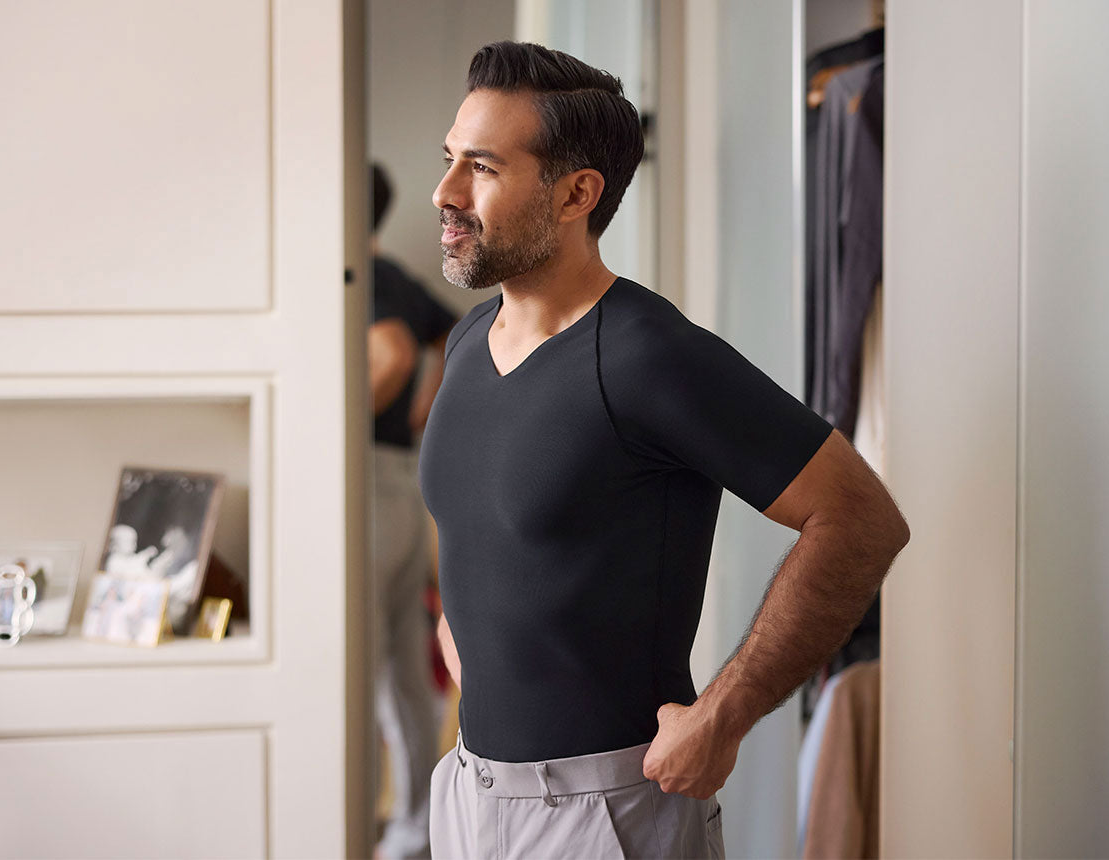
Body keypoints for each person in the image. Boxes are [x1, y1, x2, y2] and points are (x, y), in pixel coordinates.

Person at [418, 43, 910, 859]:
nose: (445, 193)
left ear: (577, 193)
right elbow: (482, 519)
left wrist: (725, 713)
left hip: (597, 815)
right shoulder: (472, 338)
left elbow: (860, 519)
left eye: (482, 168)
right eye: (449, 160)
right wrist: (459, 625)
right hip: (469, 795)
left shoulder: (648, 355)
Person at [367, 162, 460, 860]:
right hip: (398, 477)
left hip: (363, 479)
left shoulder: (357, 278)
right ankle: (412, 830)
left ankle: (363, 823)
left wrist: (348, 424)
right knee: (400, 665)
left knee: (362, 665)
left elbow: (395, 353)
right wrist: (421, 413)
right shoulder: (394, 275)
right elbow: (448, 338)